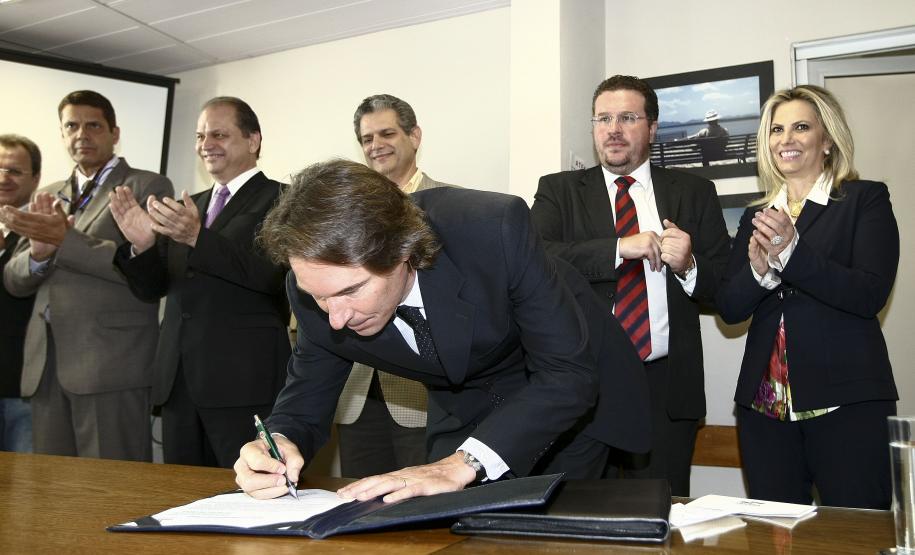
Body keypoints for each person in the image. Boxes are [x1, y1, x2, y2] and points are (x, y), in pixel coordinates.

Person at [234, 159, 649, 502]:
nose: (336, 318)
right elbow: (305, 397)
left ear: (403, 251)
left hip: (565, 383)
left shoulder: (493, 228)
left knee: (555, 526)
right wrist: (279, 443)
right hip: (463, 395)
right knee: (442, 517)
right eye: (320, 297)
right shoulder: (314, 289)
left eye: (352, 291)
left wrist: (462, 463)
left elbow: (566, 375)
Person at [530, 75, 731, 496]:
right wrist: (620, 247)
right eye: (603, 118)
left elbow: (726, 289)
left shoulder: (694, 192)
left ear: (652, 127)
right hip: (583, 385)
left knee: (658, 516)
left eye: (627, 117)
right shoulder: (559, 190)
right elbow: (538, 259)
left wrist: (689, 264)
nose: (613, 129)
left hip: (666, 388)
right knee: (577, 517)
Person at [716, 85, 899, 509]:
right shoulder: (754, 216)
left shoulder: (865, 199)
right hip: (764, 411)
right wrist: (760, 274)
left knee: (853, 537)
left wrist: (792, 254)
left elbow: (869, 293)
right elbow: (729, 308)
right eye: (777, 129)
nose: (787, 139)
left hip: (847, 404)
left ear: (828, 139)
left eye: (801, 127)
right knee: (774, 538)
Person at [111, 96, 290, 468]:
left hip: (243, 382)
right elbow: (153, 289)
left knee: (248, 498)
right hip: (179, 382)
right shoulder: (189, 205)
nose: (206, 144)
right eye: (200, 135)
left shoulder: (284, 199)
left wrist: (198, 237)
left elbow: (271, 276)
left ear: (253, 140)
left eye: (219, 134)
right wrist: (142, 247)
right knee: (182, 496)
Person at [1, 90, 173, 461]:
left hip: (111, 363)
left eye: (93, 125)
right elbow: (14, 281)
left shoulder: (149, 186)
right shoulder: (46, 195)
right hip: (45, 364)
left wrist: (65, 240)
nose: (82, 134)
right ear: (62, 136)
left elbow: (146, 272)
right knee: (53, 491)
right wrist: (38, 253)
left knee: (113, 491)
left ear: (114, 133)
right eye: (72, 126)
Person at [335, 93, 457, 478]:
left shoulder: (448, 206)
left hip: (420, 392)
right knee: (358, 503)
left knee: (418, 509)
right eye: (367, 138)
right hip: (356, 391)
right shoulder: (346, 212)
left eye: (386, 133)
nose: (375, 145)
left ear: (414, 136)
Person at [0, 134, 41, 452]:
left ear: (36, 178)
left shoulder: (48, 227)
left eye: (14, 171)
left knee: (26, 494)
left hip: (24, 390)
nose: (4, 178)